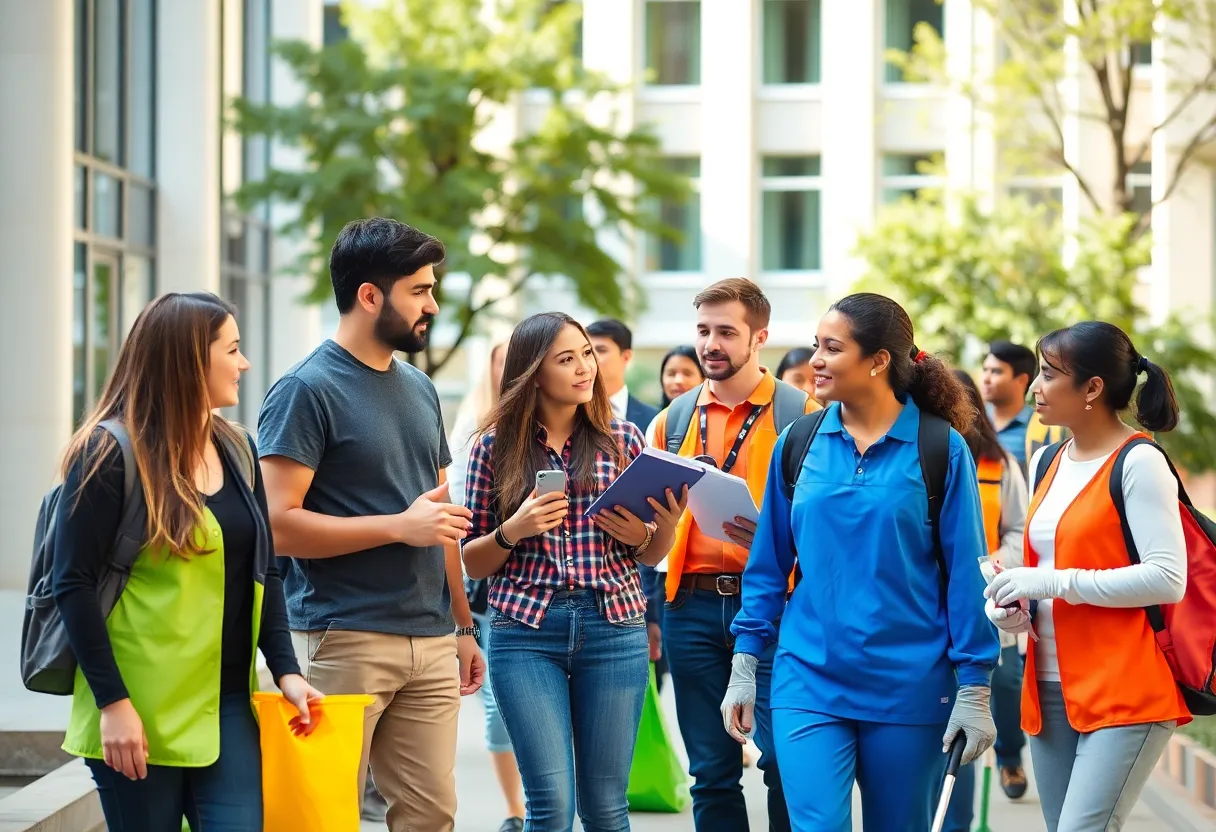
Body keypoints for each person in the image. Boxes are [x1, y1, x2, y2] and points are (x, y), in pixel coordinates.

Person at [727, 293, 999, 832]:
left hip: (910, 684)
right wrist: (745, 660)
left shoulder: (939, 447)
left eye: (832, 348)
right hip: (808, 677)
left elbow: (966, 575)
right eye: (815, 347)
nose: (816, 361)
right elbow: (768, 564)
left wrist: (975, 682)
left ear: (878, 361)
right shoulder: (798, 443)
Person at [52, 292, 322, 829]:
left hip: (227, 709)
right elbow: (73, 584)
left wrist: (287, 672)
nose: (244, 363)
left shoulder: (237, 448)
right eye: (233, 349)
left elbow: (264, 570)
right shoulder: (108, 454)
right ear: (189, 359)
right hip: (137, 711)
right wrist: (113, 704)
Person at [258, 218, 484, 832]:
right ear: (369, 295)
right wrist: (396, 527)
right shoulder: (304, 390)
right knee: (322, 817)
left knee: (431, 817)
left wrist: (463, 625)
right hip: (341, 637)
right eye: (419, 290)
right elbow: (276, 525)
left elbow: (440, 521)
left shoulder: (420, 388)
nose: (432, 304)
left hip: (432, 639)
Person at [461, 312, 688, 832]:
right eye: (567, 359)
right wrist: (512, 530)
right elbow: (471, 560)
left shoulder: (625, 439)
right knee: (552, 806)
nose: (585, 367)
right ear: (533, 373)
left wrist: (656, 533)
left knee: (607, 808)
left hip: (614, 629)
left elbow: (652, 556)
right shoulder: (492, 447)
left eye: (587, 353)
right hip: (524, 633)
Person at [984, 321, 1189, 832]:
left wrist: (1051, 583)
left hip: (1124, 683)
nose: (1035, 386)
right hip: (1049, 683)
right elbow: (1039, 573)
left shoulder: (1139, 462)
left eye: (1050, 375)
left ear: (1093, 388)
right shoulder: (1045, 461)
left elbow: (1167, 578)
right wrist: (1012, 606)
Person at [649, 278, 817, 832]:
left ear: (759, 337)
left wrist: (772, 539)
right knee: (711, 773)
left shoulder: (803, 415)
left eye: (726, 332)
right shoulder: (671, 420)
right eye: (703, 331)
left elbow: (824, 520)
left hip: (775, 606)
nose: (710, 344)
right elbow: (651, 528)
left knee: (783, 765)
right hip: (689, 608)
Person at [446, 338, 526, 832]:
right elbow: (458, 531)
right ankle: (515, 811)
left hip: (552, 595)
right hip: (487, 592)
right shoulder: (477, 438)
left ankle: (539, 807)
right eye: (504, 365)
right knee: (498, 707)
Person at [944, 370, 1029, 831]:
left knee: (997, 694)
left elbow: (1020, 529)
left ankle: (1009, 756)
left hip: (989, 604)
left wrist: (986, 561)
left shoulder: (999, 464)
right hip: (929, 613)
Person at [585, 318, 668, 682]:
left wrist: (650, 610)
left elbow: (656, 518)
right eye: (585, 352)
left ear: (626, 356)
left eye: (599, 351)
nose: (590, 362)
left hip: (635, 592)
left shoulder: (652, 423)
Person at [978, 342, 1041, 799]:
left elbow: (1023, 518)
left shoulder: (1038, 433)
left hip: (1011, 570)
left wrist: (996, 563)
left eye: (996, 370)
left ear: (1022, 379)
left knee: (1004, 675)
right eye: (983, 370)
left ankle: (1009, 755)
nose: (987, 378)